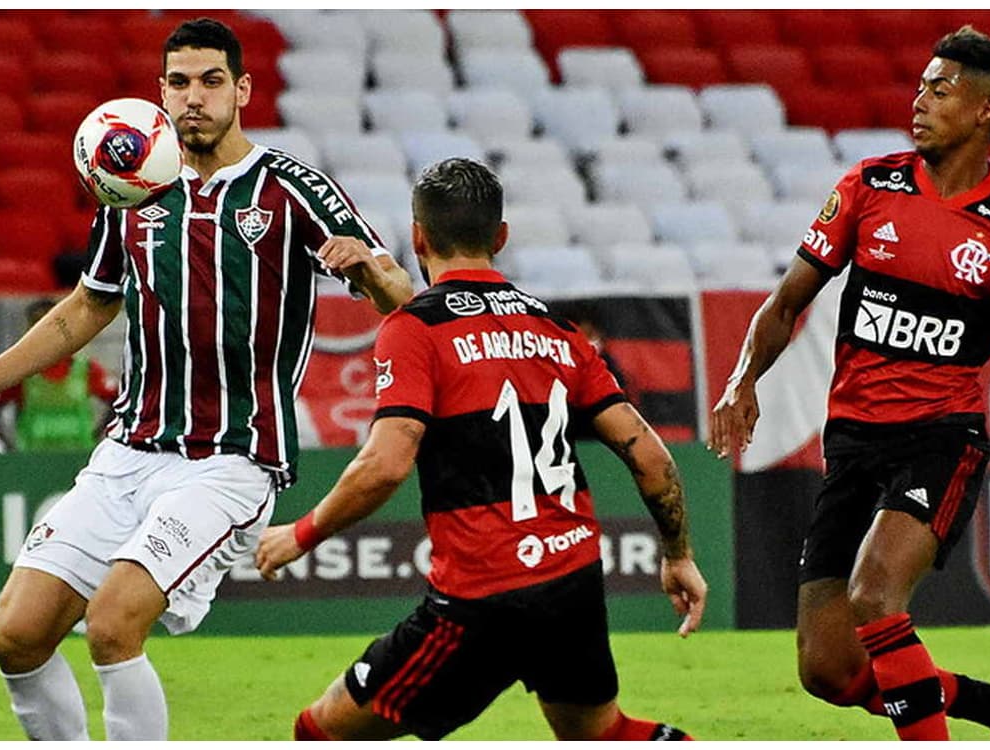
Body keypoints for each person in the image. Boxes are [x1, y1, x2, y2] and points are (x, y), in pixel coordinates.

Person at [0, 17, 413, 742]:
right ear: (159, 91)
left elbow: (399, 300)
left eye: (211, 81)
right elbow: (86, 307)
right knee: (17, 634)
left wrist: (371, 275)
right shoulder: (131, 186)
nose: (192, 98)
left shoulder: (290, 187)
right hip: (129, 451)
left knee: (112, 623)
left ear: (242, 90)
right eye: (178, 82)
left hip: (231, 458)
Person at [256, 158, 707, 741]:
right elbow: (652, 459)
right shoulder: (557, 330)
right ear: (500, 237)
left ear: (418, 237)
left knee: (321, 730)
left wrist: (300, 534)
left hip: (483, 597)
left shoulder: (415, 329)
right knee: (602, 732)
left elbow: (386, 464)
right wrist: (678, 555)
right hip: (571, 577)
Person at [710, 26, 990, 741]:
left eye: (941, 88)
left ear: (985, 112)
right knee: (830, 672)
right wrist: (743, 380)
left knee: (875, 597)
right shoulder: (870, 186)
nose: (920, 98)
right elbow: (786, 303)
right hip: (852, 444)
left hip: (941, 438)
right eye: (920, 83)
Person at [0, 298, 118, 452]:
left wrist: (97, 436)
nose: (44, 330)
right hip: (34, 462)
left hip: (78, 459)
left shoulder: (85, 369)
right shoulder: (21, 372)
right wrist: (8, 446)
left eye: (51, 322)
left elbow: (116, 400)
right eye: (37, 323)